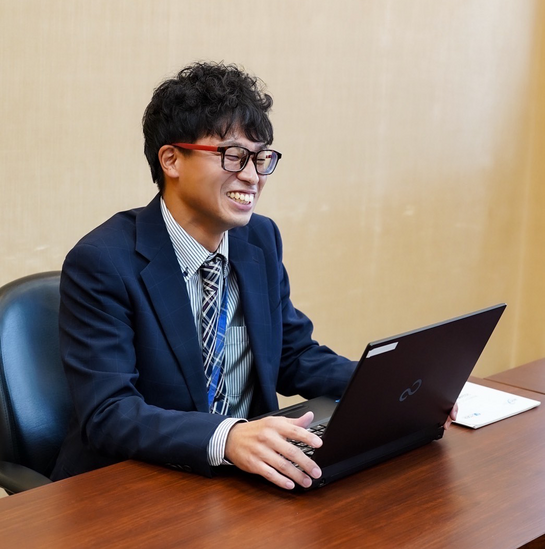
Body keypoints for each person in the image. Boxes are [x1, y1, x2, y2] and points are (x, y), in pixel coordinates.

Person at [51, 62, 456, 491]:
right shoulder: (102, 262)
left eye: (261, 158)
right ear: (171, 160)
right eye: (233, 155)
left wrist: (393, 387)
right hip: (134, 485)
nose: (252, 176)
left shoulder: (259, 239)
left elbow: (293, 355)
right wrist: (226, 438)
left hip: (245, 479)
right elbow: (109, 413)